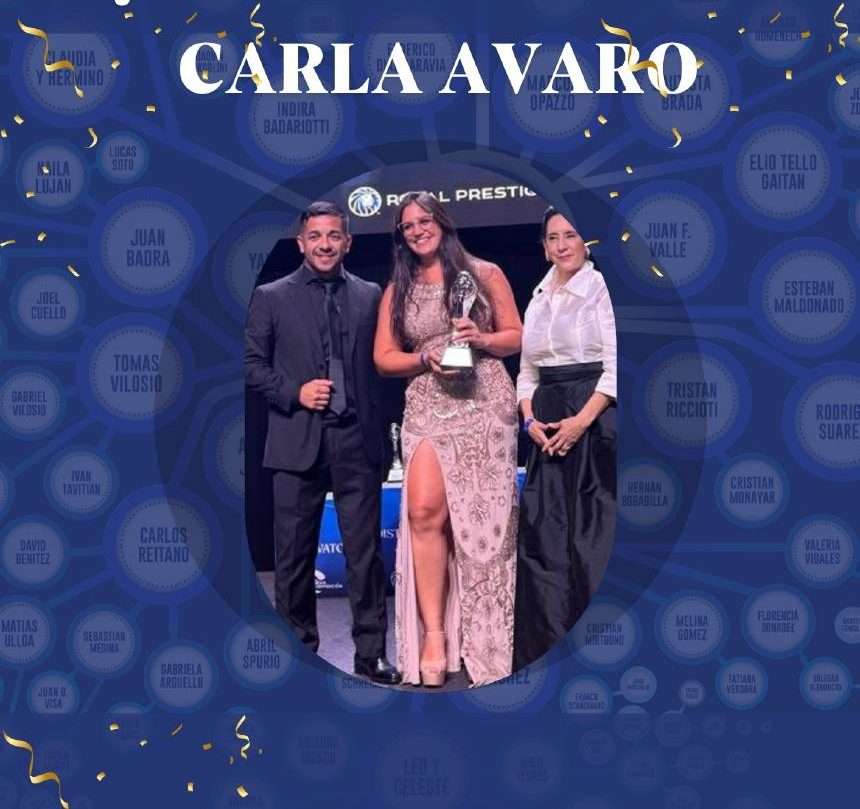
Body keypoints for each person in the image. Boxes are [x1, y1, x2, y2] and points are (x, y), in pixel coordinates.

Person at [244, 200, 400, 685]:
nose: (325, 244)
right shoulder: (271, 296)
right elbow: (251, 365)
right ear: (301, 243)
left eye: (334, 235)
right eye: (316, 236)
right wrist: (296, 392)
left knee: (365, 556)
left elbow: (383, 364)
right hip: (296, 440)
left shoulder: (371, 294)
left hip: (357, 440)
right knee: (293, 558)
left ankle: (371, 655)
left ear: (347, 242)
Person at [373, 191, 523, 687]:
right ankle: (434, 636)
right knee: (423, 512)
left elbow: (515, 336)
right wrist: (423, 358)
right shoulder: (398, 289)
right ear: (401, 236)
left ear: (442, 222)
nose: (417, 230)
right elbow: (383, 358)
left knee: (484, 528)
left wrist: (481, 339)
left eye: (425, 221)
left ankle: (487, 639)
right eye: (408, 226)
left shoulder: (485, 273)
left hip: (484, 400)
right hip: (428, 401)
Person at [512, 206, 618, 671]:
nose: (561, 245)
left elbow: (616, 367)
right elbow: (526, 373)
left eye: (570, 235)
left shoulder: (602, 289)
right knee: (546, 541)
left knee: (593, 541)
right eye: (553, 238)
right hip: (546, 428)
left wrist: (581, 422)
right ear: (544, 247)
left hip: (596, 421)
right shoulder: (537, 298)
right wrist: (529, 421)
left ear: (585, 242)